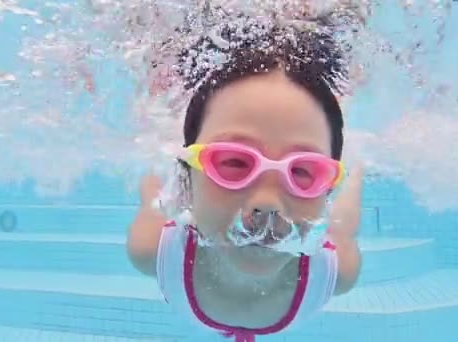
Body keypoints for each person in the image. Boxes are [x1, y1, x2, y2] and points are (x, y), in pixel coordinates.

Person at [126, 8, 365, 342]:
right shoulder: (150, 248)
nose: (266, 204)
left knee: (344, 221)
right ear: (186, 180)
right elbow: (152, 179)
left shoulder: (337, 271)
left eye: (303, 171)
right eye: (234, 163)